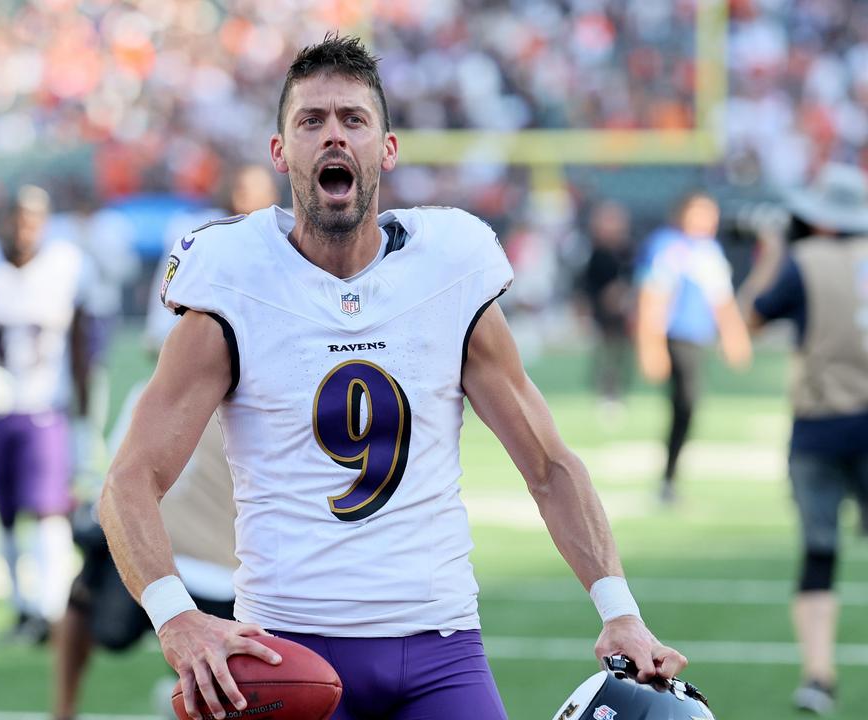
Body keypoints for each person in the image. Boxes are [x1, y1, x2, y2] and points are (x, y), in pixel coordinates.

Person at [98, 35, 687, 720]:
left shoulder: (451, 270)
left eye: (353, 119)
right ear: (280, 151)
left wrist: (619, 610)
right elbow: (130, 480)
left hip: (441, 647)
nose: (333, 136)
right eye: (310, 121)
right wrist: (177, 618)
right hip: (288, 646)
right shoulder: (234, 281)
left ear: (388, 148)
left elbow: (550, 466)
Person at [52, 164, 278, 720]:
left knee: (246, 601)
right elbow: (165, 344)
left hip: (252, 438)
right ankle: (64, 707)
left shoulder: (288, 252)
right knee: (99, 572)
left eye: (256, 189)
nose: (246, 197)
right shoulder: (199, 244)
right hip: (187, 415)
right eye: (240, 186)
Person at [739, 163, 868, 716]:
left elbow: (749, 322)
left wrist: (770, 255)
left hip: (818, 425)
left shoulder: (805, 262)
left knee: (819, 554)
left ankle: (818, 675)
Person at [0, 185, 92, 643]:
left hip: (46, 407)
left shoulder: (68, 265)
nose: (22, 229)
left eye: (32, 220)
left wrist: (85, 419)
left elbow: (81, 344)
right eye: (15, 218)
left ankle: (49, 610)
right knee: (6, 516)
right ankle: (21, 607)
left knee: (48, 511)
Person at [635, 191, 752, 504]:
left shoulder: (709, 250)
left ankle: (670, 479)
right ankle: (668, 479)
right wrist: (651, 345)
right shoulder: (668, 246)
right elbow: (653, 298)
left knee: (688, 407)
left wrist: (735, 335)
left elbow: (722, 300)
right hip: (677, 337)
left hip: (698, 338)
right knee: (684, 404)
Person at [578, 200, 635, 414]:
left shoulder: (627, 250)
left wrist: (623, 293)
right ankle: (605, 391)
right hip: (603, 312)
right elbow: (587, 284)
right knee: (605, 351)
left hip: (624, 311)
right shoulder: (595, 252)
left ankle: (618, 390)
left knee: (621, 353)